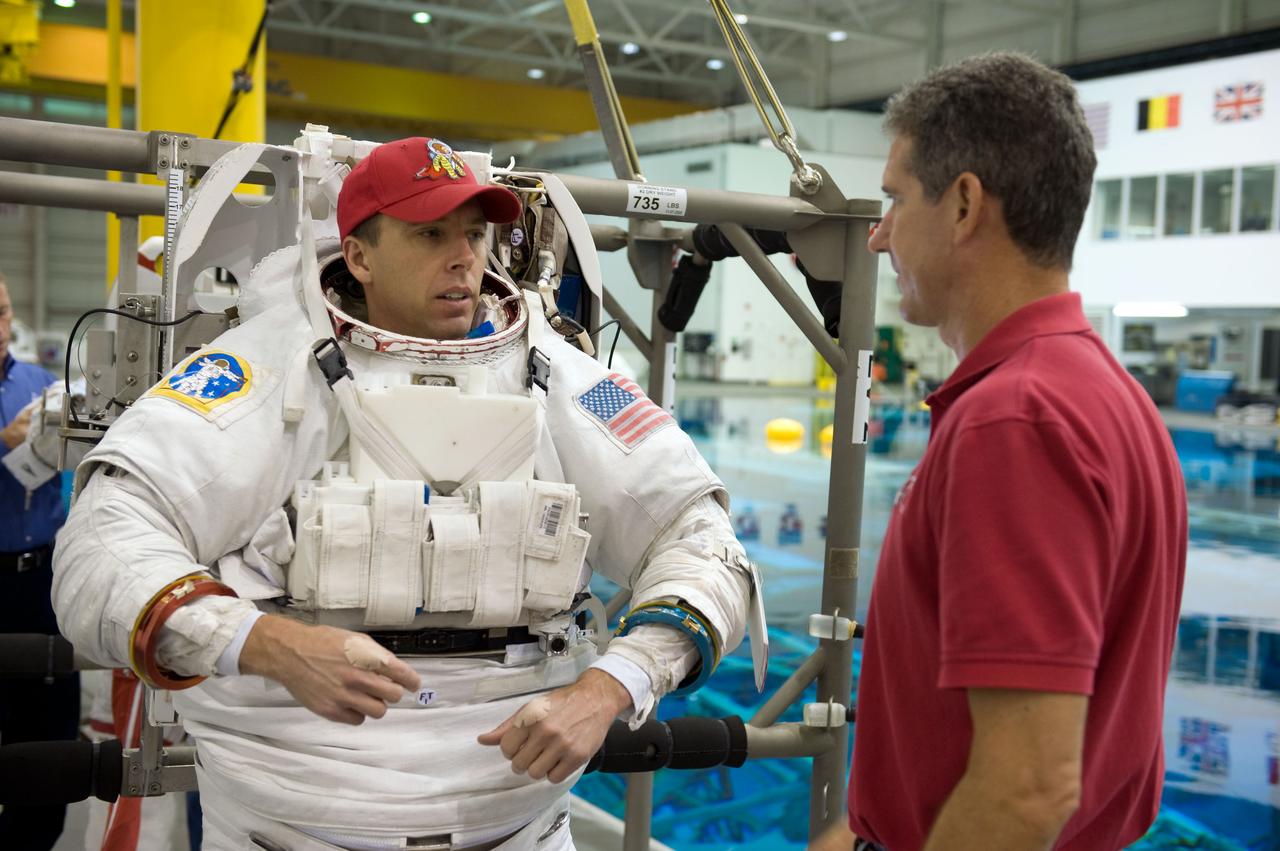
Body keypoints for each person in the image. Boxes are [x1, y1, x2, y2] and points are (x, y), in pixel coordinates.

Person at [54, 136, 756, 851]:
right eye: (429, 234)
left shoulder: (565, 380)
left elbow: (705, 544)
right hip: (290, 826)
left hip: (523, 822)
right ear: (359, 257)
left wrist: (612, 685)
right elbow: (102, 542)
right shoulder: (260, 374)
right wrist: (263, 643)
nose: (464, 258)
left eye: (475, 235)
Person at [810, 53, 1187, 851]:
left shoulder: (1015, 423)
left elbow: (1027, 788)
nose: (877, 237)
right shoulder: (1105, 394)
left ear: (964, 205)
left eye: (895, 200)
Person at [0, 273, 80, 850]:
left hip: (42, 581)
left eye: (3, 312)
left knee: (49, 739)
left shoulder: (44, 387)